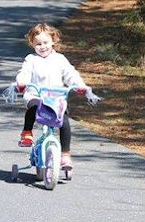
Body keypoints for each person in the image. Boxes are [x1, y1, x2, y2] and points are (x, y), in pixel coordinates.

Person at [14, 23, 91, 170]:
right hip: (35, 94)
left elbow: (70, 74)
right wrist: (22, 83)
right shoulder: (31, 59)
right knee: (34, 106)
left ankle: (65, 155)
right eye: (38, 44)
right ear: (32, 44)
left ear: (53, 41)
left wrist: (79, 85)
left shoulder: (60, 59)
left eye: (45, 43)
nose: (42, 47)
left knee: (64, 122)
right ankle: (27, 132)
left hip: (56, 98)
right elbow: (24, 72)